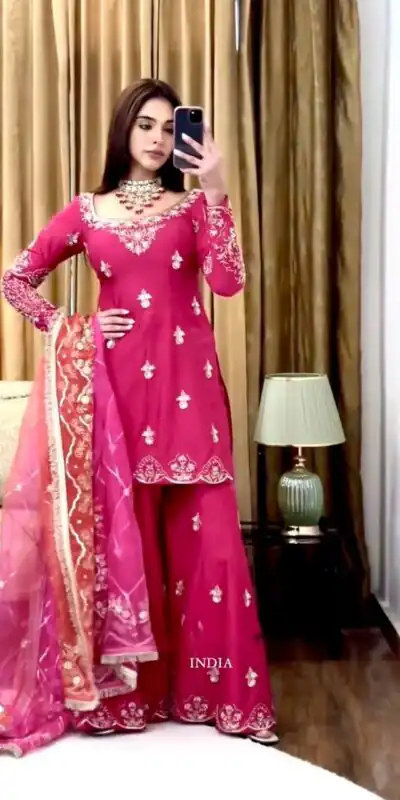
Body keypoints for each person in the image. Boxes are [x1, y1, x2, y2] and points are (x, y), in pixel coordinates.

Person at [0, 78, 277, 756]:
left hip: (192, 397)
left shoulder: (194, 207)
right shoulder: (87, 213)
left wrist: (217, 189)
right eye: (145, 124)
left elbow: (228, 283)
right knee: (134, 550)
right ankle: (134, 697)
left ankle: (224, 696)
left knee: (213, 549)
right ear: (124, 130)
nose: (157, 138)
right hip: (118, 398)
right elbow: (16, 279)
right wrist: (74, 326)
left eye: (168, 127)